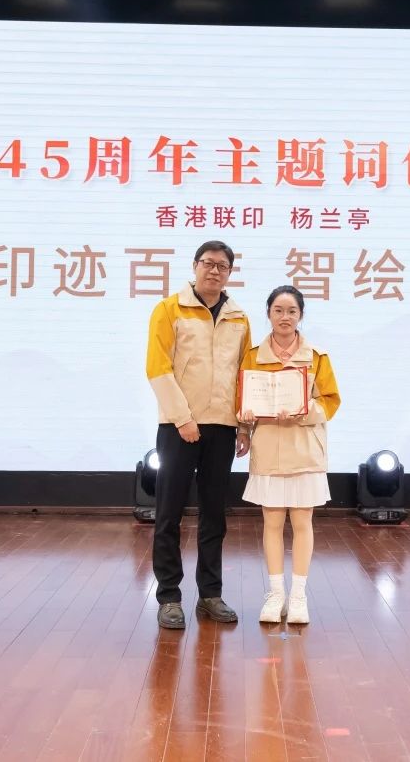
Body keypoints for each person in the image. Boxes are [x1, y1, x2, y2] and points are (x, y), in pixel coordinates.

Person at [146, 240, 251, 630]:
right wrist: (182, 418)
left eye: (222, 266)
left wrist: (244, 426)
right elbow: (157, 368)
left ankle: (210, 594)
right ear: (194, 266)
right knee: (168, 513)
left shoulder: (239, 317)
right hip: (178, 427)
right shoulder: (169, 309)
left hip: (222, 427)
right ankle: (169, 597)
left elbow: (245, 374)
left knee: (214, 515)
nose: (214, 270)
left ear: (229, 273)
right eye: (208, 263)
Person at [237, 285, 340, 625]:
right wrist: (243, 423)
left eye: (292, 311)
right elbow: (242, 398)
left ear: (301, 315)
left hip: (304, 449)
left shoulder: (318, 357)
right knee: (271, 522)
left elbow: (330, 400)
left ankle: (298, 596)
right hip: (268, 448)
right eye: (278, 310)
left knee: (302, 522)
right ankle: (275, 594)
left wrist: (303, 410)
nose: (285, 317)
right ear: (268, 314)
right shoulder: (253, 356)